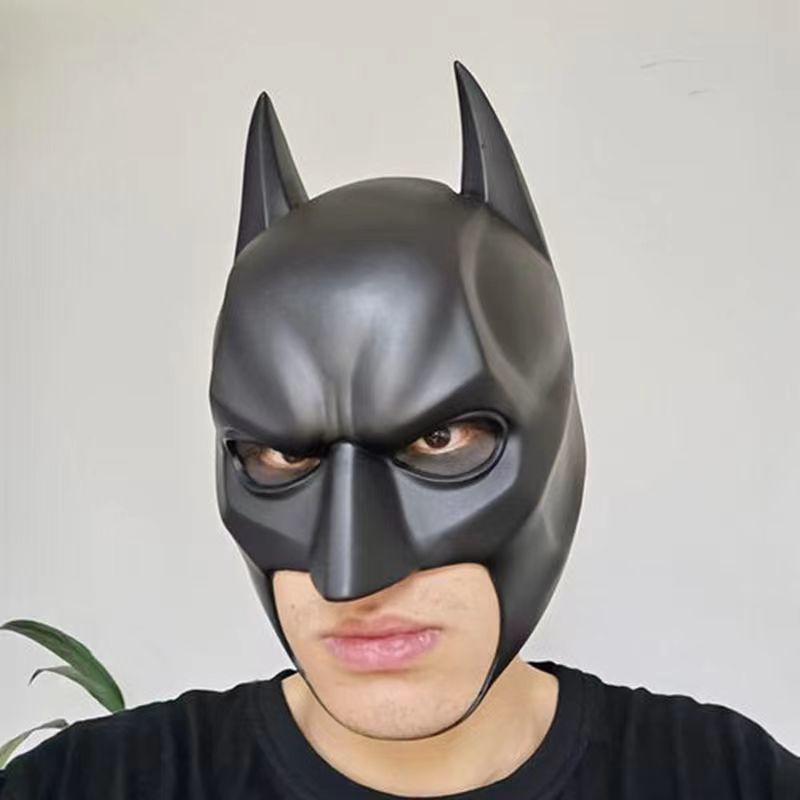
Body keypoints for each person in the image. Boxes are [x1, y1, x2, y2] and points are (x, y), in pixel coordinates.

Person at [1, 61, 797, 800]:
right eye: (285, 454)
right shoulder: (89, 784)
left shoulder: (726, 781)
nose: (351, 578)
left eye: (440, 441)